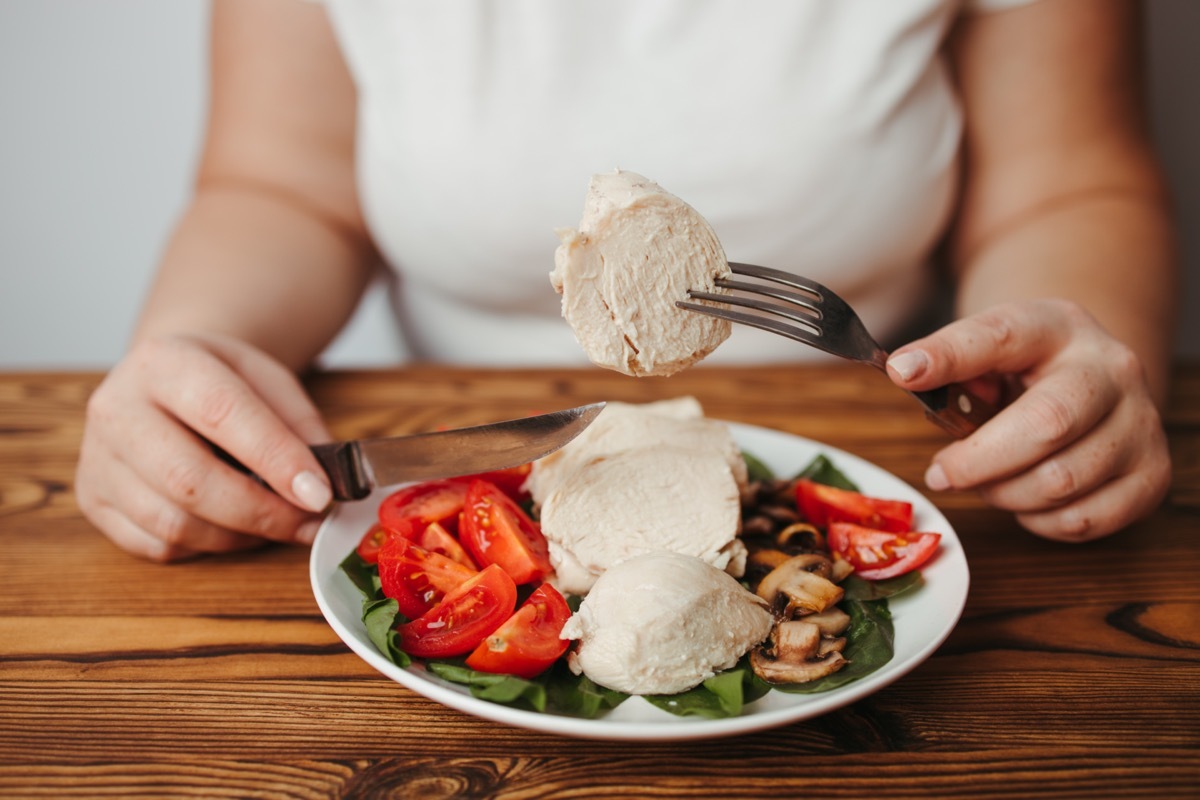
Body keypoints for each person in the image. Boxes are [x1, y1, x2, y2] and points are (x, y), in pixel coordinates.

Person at [75, 0, 1177, 562]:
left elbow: (1065, 182)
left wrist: (1072, 378)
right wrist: (196, 355)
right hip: (452, 445)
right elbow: (282, 185)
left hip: (880, 436)